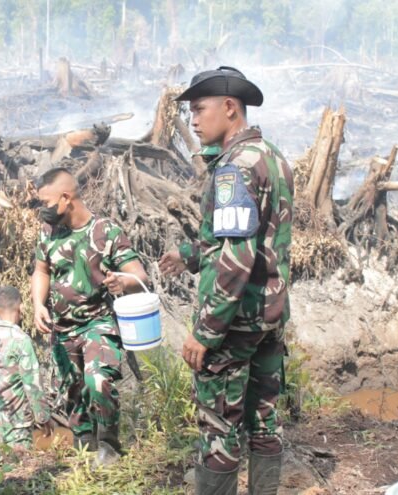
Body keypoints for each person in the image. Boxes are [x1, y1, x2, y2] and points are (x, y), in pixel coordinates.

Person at [159, 66, 293, 495]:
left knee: (219, 429)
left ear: (230, 107)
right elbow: (253, 237)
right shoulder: (271, 156)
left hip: (235, 322)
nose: (194, 121)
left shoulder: (235, 168)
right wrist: (189, 255)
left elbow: (238, 256)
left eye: (200, 109)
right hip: (269, 315)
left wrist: (206, 331)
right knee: (264, 421)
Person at [31, 167, 149, 466]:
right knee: (73, 391)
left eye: (45, 203)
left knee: (98, 380)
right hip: (62, 329)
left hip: (98, 322)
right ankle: (84, 447)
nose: (42, 210)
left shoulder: (105, 231)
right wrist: (38, 305)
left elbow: (139, 275)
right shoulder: (48, 233)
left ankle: (109, 446)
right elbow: (41, 270)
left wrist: (122, 282)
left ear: (66, 198)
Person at [0, 286, 53, 449]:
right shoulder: (22, 340)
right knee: (19, 464)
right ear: (21, 307)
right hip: (16, 425)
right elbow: (32, 384)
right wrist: (43, 417)